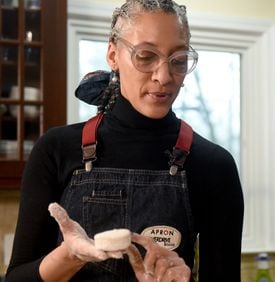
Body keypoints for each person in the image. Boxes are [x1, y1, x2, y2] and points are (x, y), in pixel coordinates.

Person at [6, 0, 244, 281]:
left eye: (178, 60)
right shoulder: (56, 149)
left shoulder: (214, 165)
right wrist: (68, 256)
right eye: (146, 56)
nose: (164, 77)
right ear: (113, 54)